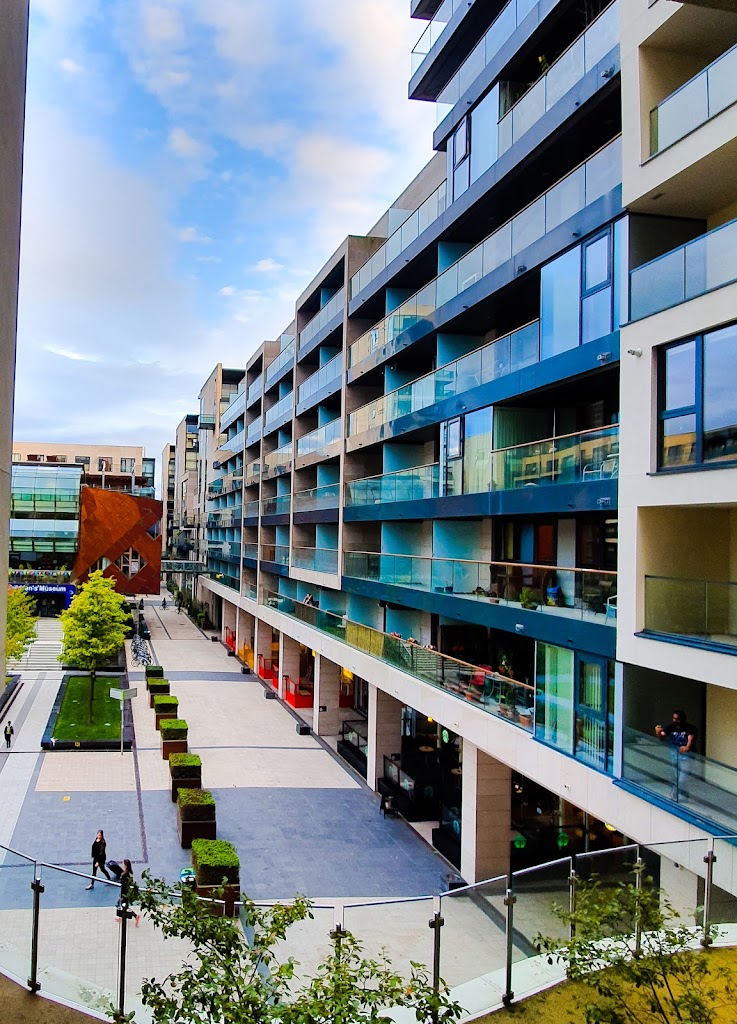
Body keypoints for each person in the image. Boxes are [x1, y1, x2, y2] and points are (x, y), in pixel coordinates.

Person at [655, 710, 696, 801]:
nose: (675, 721)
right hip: (674, 755)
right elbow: (662, 736)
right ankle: (684, 795)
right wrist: (658, 732)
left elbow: (691, 738)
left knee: (682, 778)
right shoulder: (671, 727)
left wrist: (687, 747)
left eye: (677, 719)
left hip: (686, 757)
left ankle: (674, 793)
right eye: (674, 718)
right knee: (677, 776)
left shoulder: (690, 728)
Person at [116, 859, 141, 926]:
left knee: (124, 906)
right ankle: (122, 917)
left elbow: (124, 886)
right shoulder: (129, 873)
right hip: (126, 892)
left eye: (123, 864)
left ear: (126, 866)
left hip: (125, 893)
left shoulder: (125, 875)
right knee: (123, 905)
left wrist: (122, 895)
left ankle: (135, 916)